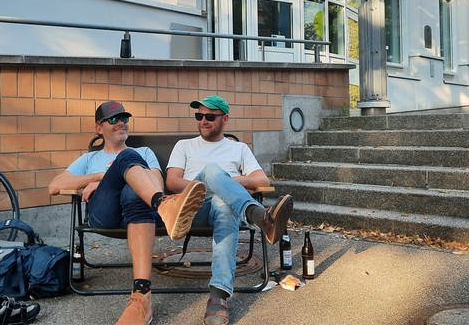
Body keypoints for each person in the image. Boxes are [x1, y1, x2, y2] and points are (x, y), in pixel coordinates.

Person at [48, 101, 206, 325]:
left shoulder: (144, 152)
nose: (121, 122)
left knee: (133, 186)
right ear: (99, 128)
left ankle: (141, 297)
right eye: (113, 119)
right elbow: (54, 186)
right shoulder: (90, 159)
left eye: (124, 118)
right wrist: (102, 177)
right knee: (125, 159)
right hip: (106, 215)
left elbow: (156, 183)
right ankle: (166, 206)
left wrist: (123, 174)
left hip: (139, 209)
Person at [165, 95, 293, 325]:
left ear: (225, 119)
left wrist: (226, 184)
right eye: (199, 116)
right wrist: (212, 181)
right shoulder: (184, 146)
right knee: (212, 171)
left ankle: (219, 295)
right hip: (191, 209)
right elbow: (172, 182)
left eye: (210, 116)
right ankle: (259, 216)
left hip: (225, 207)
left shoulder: (239, 148)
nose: (203, 120)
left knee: (224, 205)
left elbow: (261, 179)